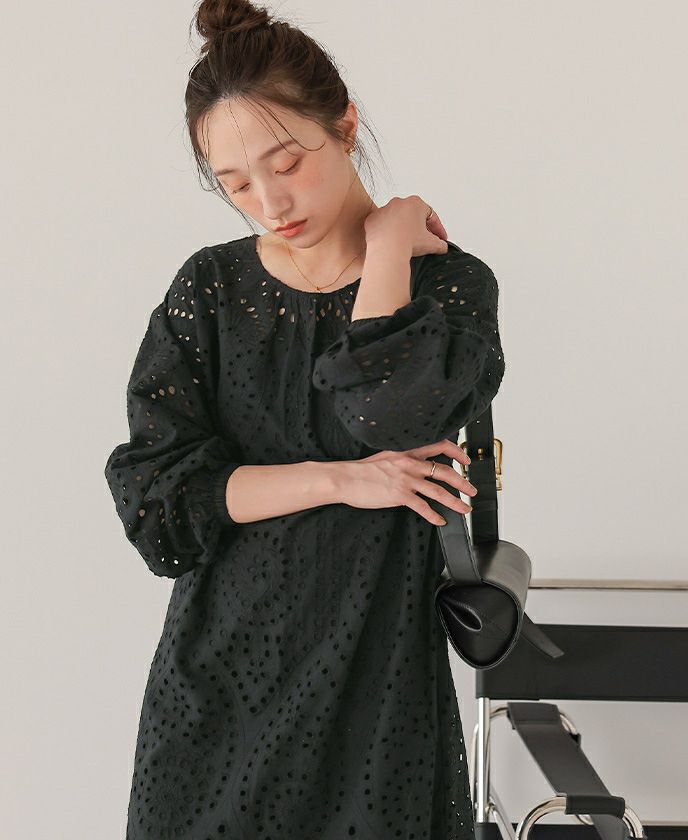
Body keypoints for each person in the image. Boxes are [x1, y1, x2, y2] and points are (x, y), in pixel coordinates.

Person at [103, 0, 506, 837]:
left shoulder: (449, 286)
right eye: (236, 183)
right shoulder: (210, 291)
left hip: (377, 695)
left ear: (345, 125)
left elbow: (382, 411)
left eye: (287, 162)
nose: (269, 201)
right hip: (215, 693)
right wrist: (341, 481)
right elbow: (158, 502)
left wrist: (386, 248)